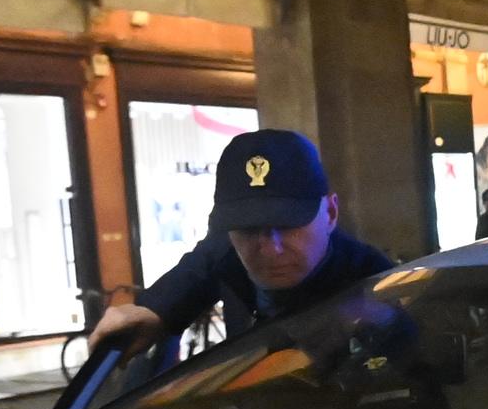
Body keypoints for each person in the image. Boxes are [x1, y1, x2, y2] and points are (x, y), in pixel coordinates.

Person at [88, 130, 397, 354]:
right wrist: (152, 310)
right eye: (248, 229)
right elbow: (197, 270)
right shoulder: (228, 253)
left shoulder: (378, 284)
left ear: (330, 213)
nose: (270, 247)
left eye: (288, 225)